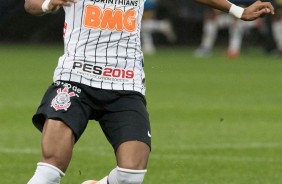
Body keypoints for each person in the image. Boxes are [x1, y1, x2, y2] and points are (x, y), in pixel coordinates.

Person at [24, 0, 274, 184]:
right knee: (49, 170)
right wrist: (48, 3)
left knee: (131, 176)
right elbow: (30, 4)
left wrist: (238, 10)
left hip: (125, 84)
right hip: (75, 79)